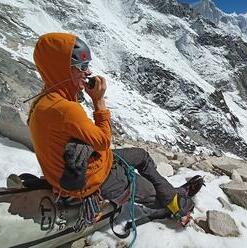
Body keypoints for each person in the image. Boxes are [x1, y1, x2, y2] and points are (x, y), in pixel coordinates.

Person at [28, 32, 202, 227]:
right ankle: (177, 202)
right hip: (95, 179)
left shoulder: (43, 102)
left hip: (92, 164)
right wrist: (98, 101)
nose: (88, 73)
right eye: (82, 67)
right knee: (153, 194)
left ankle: (171, 194)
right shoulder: (66, 109)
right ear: (62, 70)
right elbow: (103, 141)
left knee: (141, 155)